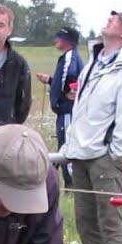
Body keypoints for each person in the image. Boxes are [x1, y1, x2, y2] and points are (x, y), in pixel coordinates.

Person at [61, 10, 122, 244]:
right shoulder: (93, 62)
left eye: (116, 19)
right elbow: (82, 110)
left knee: (110, 219)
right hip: (82, 152)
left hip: (105, 156)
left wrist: (117, 153)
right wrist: (71, 146)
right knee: (85, 220)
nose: (109, 20)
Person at [35, 26, 82, 187]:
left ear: (67, 41)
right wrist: (49, 80)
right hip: (64, 109)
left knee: (66, 144)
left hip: (66, 109)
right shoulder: (69, 56)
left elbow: (69, 76)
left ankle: (71, 184)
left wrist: (66, 92)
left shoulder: (70, 57)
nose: (56, 40)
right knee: (63, 142)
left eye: (59, 37)